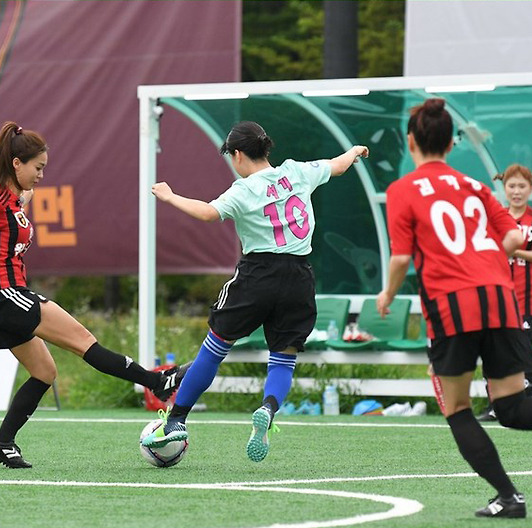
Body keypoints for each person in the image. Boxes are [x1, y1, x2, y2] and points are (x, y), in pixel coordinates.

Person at [375, 98, 532, 518]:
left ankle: (509, 497)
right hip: (502, 299)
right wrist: (483, 259)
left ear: (411, 142)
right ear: (450, 144)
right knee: (511, 406)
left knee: (458, 408)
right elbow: (517, 239)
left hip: (453, 304)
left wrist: (388, 295)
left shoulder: (402, 190)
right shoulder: (475, 186)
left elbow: (401, 258)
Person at [0, 121, 189, 469]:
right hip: (7, 296)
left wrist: (22, 194)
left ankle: (2, 442)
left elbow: (19, 200)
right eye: (38, 167)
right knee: (84, 342)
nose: (41, 175)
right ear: (17, 164)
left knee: (45, 372)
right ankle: (157, 382)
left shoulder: (13, 200)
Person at [142, 120, 368, 463]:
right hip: (299, 276)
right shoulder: (297, 172)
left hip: (257, 275)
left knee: (214, 347)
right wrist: (352, 152)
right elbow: (335, 166)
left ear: (237, 155)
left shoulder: (244, 189)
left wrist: (169, 196)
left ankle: (176, 419)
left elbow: (207, 213)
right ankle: (267, 408)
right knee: (283, 358)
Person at [479, 164, 532, 422]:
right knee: (492, 353)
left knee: (523, 355)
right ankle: (494, 405)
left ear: (531, 189)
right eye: (512, 186)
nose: (517, 191)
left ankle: (525, 405)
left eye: (522, 186)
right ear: (504, 188)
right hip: (496, 299)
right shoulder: (495, 218)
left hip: (526, 301)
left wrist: (515, 249)